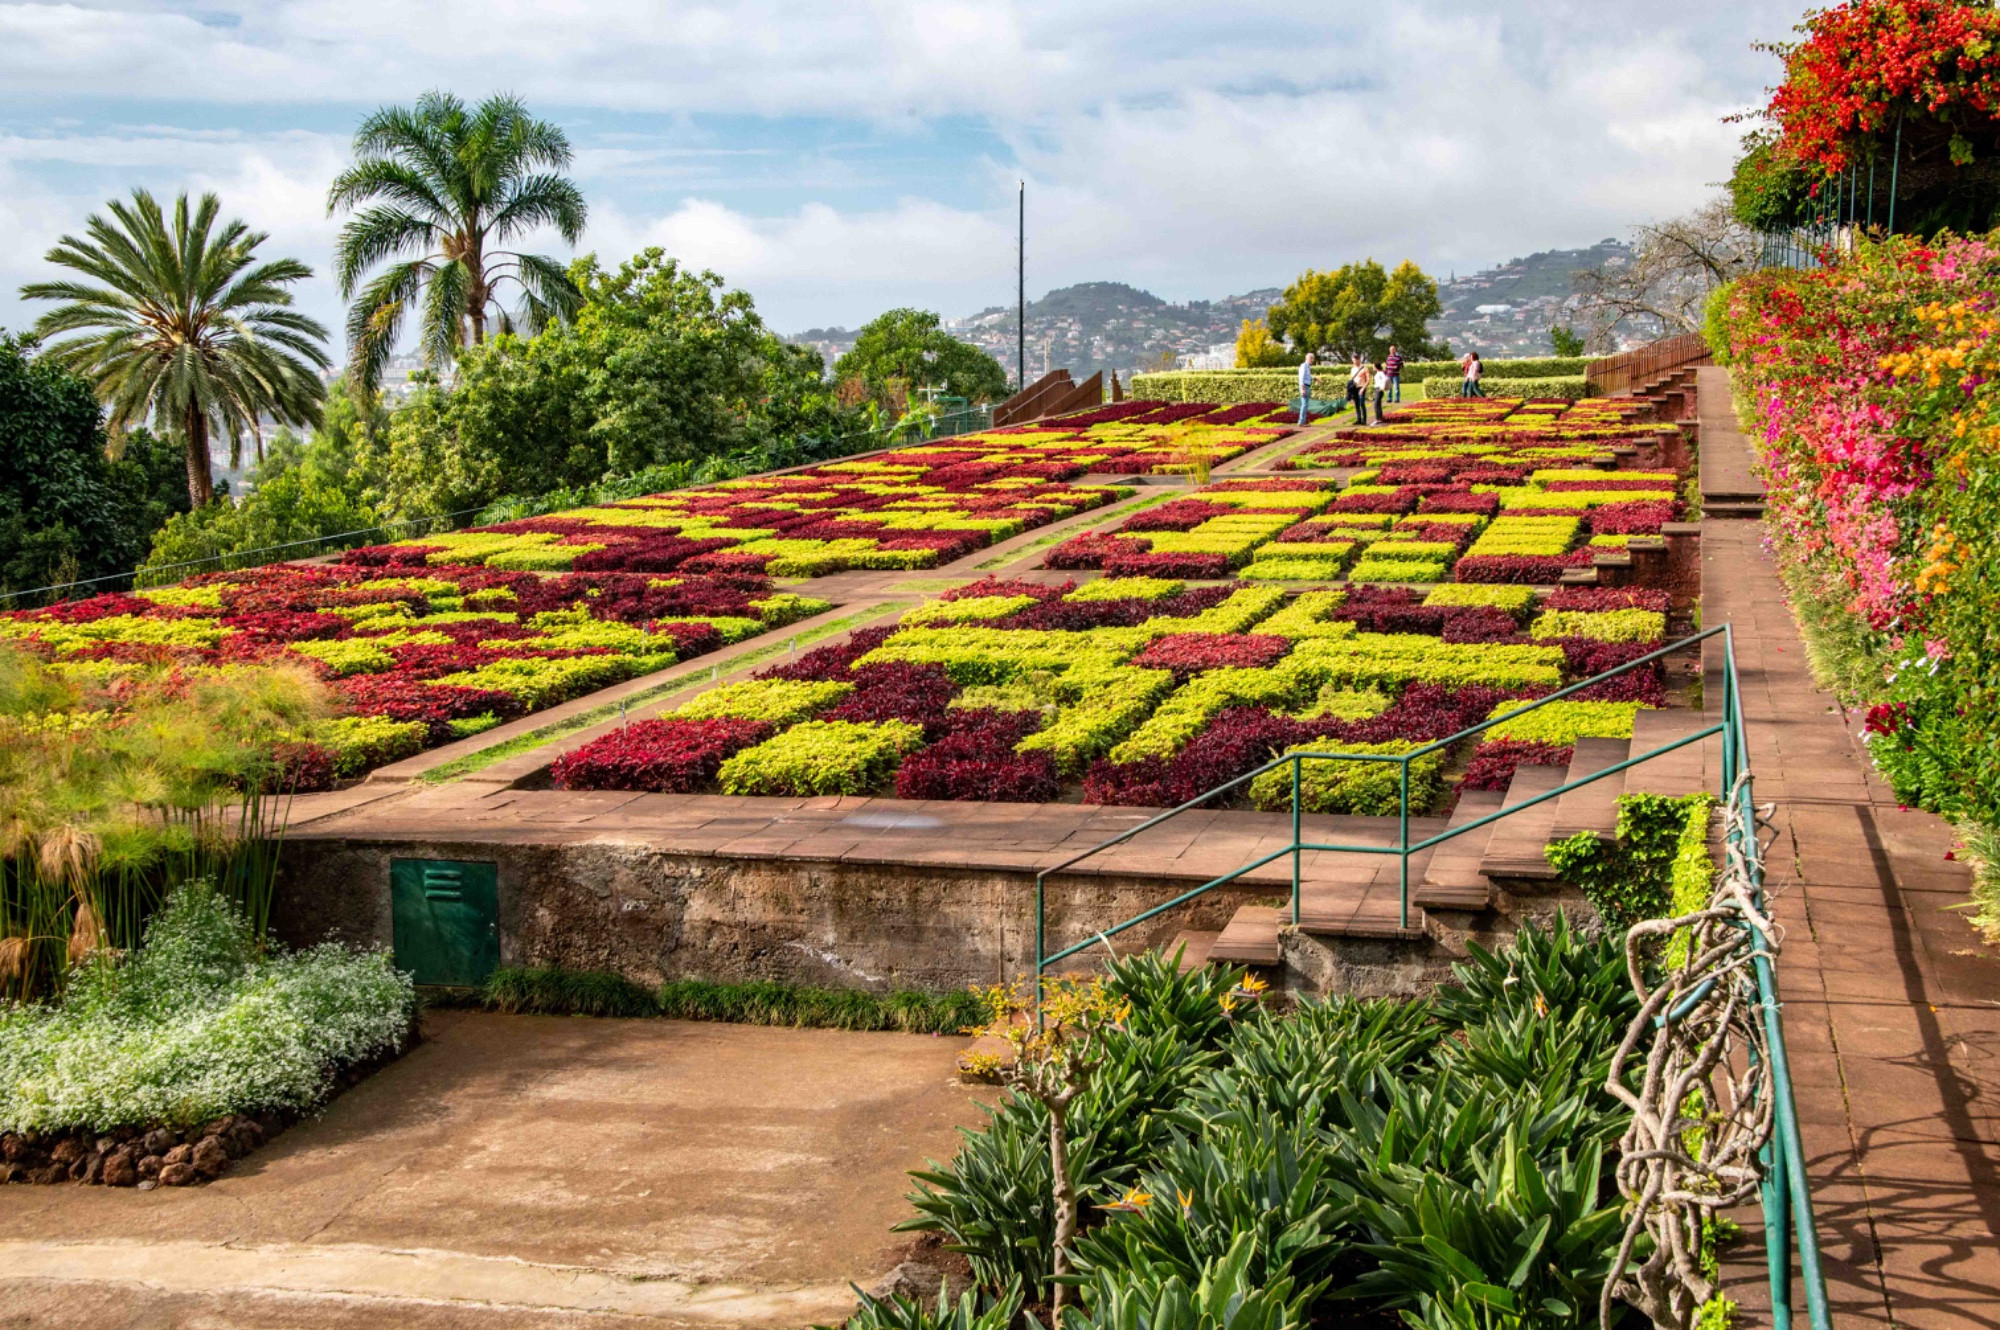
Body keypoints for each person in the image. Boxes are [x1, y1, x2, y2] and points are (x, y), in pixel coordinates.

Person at [1347, 355, 1370, 425]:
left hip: (1361, 387)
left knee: (1362, 403)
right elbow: (1352, 378)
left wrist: (1363, 388)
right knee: (1356, 404)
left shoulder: (1364, 368)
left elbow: (1368, 379)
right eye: (1353, 361)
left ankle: (1364, 420)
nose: (1354, 362)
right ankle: (1359, 419)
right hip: (1354, 388)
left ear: (1358, 360)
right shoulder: (1353, 369)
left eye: (1355, 360)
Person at [1296, 352, 1316, 426]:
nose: (1312, 360)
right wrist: (1303, 389)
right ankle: (1301, 422)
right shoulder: (1304, 366)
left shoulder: (1307, 366)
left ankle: (1303, 421)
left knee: (1305, 404)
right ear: (1308, 358)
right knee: (1304, 404)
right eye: (1311, 358)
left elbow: (1308, 376)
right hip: (1304, 386)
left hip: (1307, 386)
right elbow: (1301, 378)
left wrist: (1315, 378)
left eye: (1313, 358)